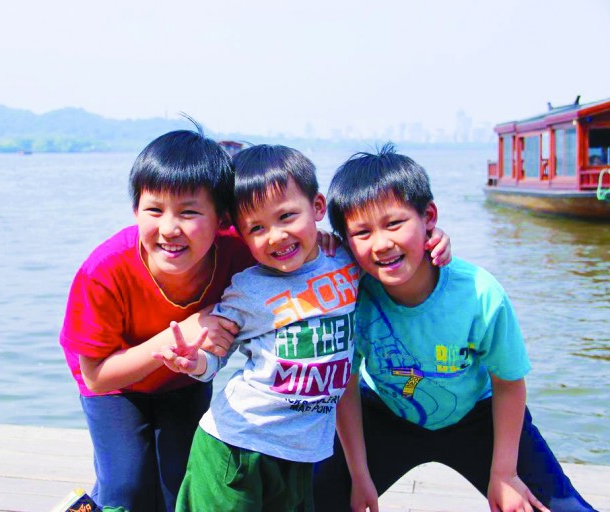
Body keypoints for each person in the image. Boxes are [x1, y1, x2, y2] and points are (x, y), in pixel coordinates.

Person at [154, 145, 452, 511]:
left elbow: (386, 251)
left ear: (318, 207)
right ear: (242, 236)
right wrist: (194, 362)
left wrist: (435, 238)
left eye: (287, 216)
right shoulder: (248, 288)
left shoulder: (345, 260)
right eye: (257, 228)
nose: (276, 236)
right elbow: (215, 355)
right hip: (237, 446)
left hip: (302, 453)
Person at [314, 144, 597, 512]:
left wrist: (505, 473)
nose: (382, 244)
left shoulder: (480, 293)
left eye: (394, 224)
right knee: (309, 502)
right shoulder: (346, 295)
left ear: (429, 217)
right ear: (345, 242)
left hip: (479, 416)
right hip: (383, 415)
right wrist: (359, 473)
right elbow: (345, 385)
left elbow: (509, 383)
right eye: (362, 232)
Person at [59, 127, 256, 511]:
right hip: (114, 386)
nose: (169, 229)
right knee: (126, 488)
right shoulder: (104, 270)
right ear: (136, 210)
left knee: (180, 488)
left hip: (183, 380)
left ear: (222, 218)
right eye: (154, 210)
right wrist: (181, 331)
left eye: (189, 212)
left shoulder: (239, 252)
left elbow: (288, 245)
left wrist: (325, 244)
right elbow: (95, 376)